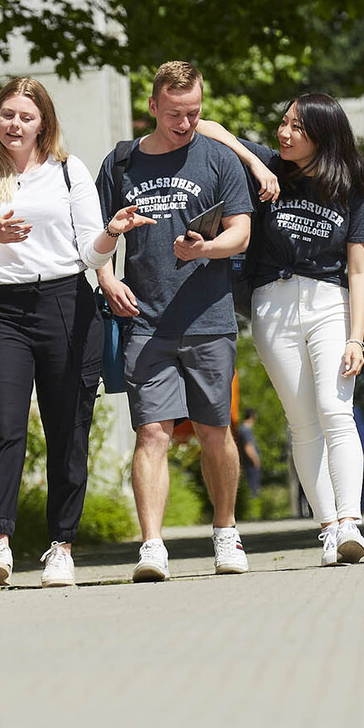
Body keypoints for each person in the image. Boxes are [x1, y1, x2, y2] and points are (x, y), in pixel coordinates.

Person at [0, 78, 149, 588]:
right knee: (4, 425)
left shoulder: (69, 171)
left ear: (44, 123)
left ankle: (60, 546)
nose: (14, 125)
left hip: (66, 302)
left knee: (69, 429)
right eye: (6, 115)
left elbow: (90, 251)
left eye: (25, 116)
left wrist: (113, 230)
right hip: (0, 309)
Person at [198, 93, 364, 566]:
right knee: (302, 423)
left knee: (334, 410)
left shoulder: (350, 188)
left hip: (329, 303)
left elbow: (359, 269)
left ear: (322, 135)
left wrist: (356, 337)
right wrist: (255, 165)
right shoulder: (270, 165)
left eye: (297, 127)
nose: (284, 133)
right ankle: (327, 529)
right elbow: (207, 126)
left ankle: (350, 524)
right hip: (271, 305)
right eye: (283, 123)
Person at [95, 61, 261, 582]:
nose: (185, 122)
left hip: (209, 320)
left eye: (193, 113)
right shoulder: (120, 164)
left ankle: (226, 531)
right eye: (174, 113)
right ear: (152, 107)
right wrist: (107, 278)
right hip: (145, 320)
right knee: (151, 433)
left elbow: (242, 234)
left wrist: (206, 249)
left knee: (215, 430)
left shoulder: (219, 160)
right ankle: (152, 546)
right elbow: (97, 236)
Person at [238, 408, 263, 498]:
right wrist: (255, 460)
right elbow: (248, 447)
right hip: (250, 464)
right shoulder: (245, 430)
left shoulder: (242, 429)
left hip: (247, 463)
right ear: (252, 416)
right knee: (253, 488)